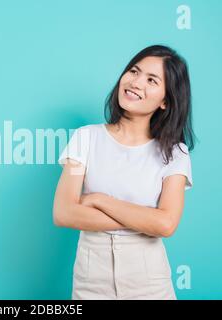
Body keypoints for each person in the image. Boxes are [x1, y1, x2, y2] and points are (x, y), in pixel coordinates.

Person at [53, 45, 195, 300]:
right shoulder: (86, 137)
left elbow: (166, 224)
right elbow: (64, 213)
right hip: (90, 284)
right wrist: (145, 220)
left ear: (166, 100)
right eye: (133, 71)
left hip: (150, 286)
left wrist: (99, 200)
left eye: (151, 80)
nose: (136, 82)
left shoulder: (176, 152)